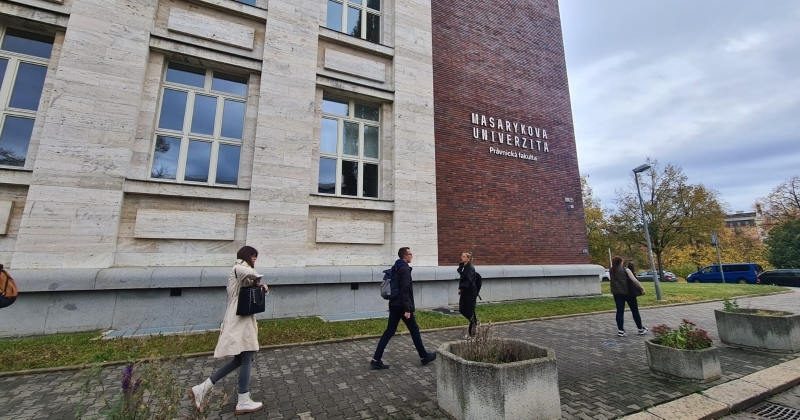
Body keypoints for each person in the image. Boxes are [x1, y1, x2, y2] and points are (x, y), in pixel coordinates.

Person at [187, 246, 268, 415]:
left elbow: (251, 289)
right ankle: (243, 400)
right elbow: (245, 272)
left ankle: (202, 388)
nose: (255, 259)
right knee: (247, 358)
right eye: (253, 256)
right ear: (246, 256)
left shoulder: (244, 273)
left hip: (243, 321)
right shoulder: (238, 268)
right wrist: (257, 277)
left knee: (240, 360)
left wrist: (261, 288)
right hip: (238, 322)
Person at [370, 247, 437, 370]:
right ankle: (424, 356)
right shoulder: (405, 268)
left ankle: (376, 359)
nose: (412, 256)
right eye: (410, 254)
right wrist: (407, 309)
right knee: (414, 329)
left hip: (394, 304)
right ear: (405, 256)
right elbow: (405, 289)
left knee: (389, 331)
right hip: (402, 305)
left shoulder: (395, 266)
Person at [609, 256, 648, 337]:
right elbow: (634, 280)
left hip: (617, 294)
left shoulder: (611, 270)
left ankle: (621, 330)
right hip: (629, 293)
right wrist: (641, 288)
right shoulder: (625, 269)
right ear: (621, 262)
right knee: (635, 311)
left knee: (619, 312)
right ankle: (640, 329)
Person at [457, 251, 479, 339]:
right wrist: (461, 265)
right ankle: (474, 321)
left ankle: (471, 332)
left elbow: (469, 281)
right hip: (465, 291)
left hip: (470, 293)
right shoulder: (465, 266)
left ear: (468, 258)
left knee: (469, 310)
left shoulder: (470, 268)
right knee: (462, 309)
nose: (461, 257)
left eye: (463, 256)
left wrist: (461, 287)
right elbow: (461, 273)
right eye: (462, 256)